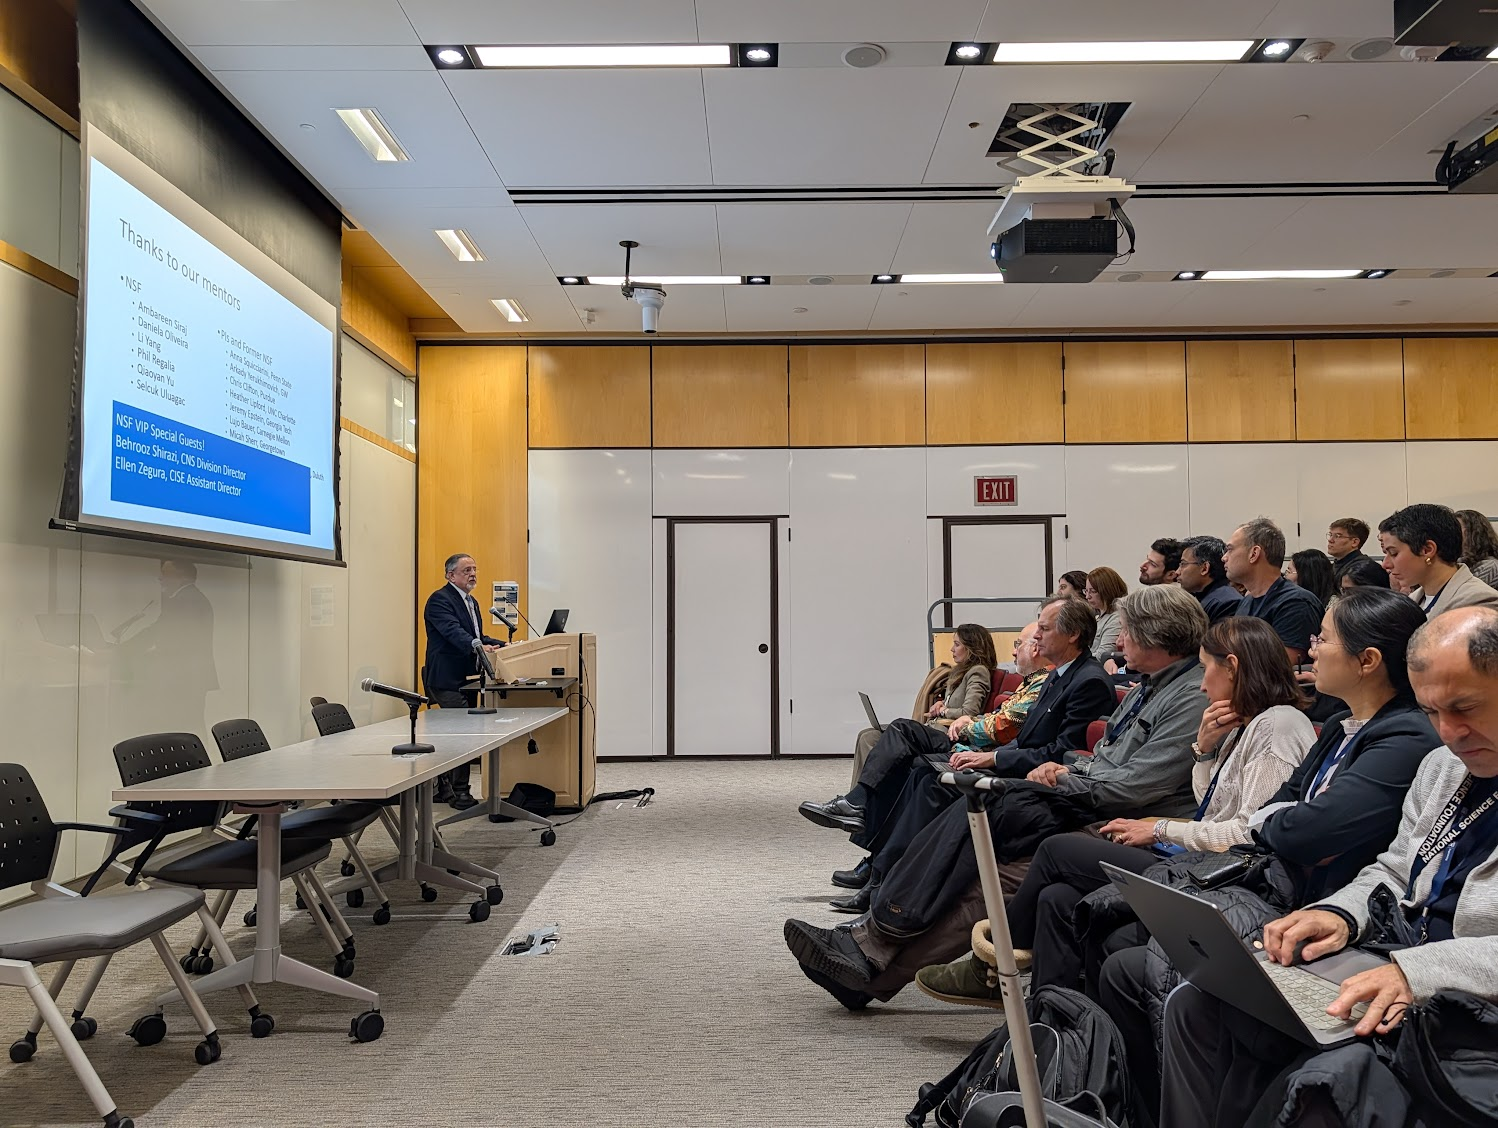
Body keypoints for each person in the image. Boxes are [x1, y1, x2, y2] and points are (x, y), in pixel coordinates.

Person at [783, 586, 1209, 1007]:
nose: (1118, 639)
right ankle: (867, 963)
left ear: (1158, 636)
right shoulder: (1149, 687)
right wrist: (1068, 770)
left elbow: (1128, 787)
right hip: (1093, 803)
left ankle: (870, 943)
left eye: (1128, 631)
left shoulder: (1187, 697)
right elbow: (1102, 758)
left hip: (1123, 822)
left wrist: (1061, 777)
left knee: (982, 832)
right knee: (976, 847)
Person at [1157, 607, 1498, 1128]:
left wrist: (1414, 971)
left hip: (1463, 997)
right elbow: (1395, 870)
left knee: (1326, 1084)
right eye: (1432, 712)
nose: (1449, 731)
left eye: (1465, 707)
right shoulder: (1443, 766)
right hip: (1396, 961)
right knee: (1203, 1002)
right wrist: (1340, 914)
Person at [920, 617, 1315, 1006]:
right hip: (1196, 857)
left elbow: (1247, 835)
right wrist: (1204, 750)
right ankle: (1053, 1024)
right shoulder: (1244, 723)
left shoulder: (1277, 727)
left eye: (1207, 667)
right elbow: (1210, 803)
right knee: (1056, 898)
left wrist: (1159, 830)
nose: (1201, 682)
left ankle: (997, 958)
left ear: (1232, 666)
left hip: (1221, 876)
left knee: (1059, 850)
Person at [800, 599, 1112, 855]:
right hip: (1004, 755)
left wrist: (990, 755)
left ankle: (880, 863)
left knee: (921, 767)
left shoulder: (1086, 681)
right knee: (914, 762)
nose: (1037, 638)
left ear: (1072, 634)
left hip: (1029, 776)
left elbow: (1059, 750)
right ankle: (878, 861)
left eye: (1043, 629)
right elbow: (1024, 732)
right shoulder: (1058, 675)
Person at [822, 625, 1052, 894]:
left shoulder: (1026, 680)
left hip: (974, 746)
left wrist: (958, 717)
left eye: (1018, 644)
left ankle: (867, 833)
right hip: (969, 740)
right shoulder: (1025, 682)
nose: (1012, 651)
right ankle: (875, 859)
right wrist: (966, 718)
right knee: (901, 757)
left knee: (903, 736)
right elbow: (993, 717)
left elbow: (999, 724)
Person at [846, 625, 996, 791]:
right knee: (867, 736)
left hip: (946, 733)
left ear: (972, 648)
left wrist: (944, 710)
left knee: (894, 729)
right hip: (934, 727)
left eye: (957, 644)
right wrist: (943, 704)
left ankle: (866, 797)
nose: (952, 649)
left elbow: (969, 712)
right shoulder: (960, 672)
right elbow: (957, 703)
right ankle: (856, 795)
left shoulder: (978, 672)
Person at [422, 552, 505, 809]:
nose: (473, 574)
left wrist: (501, 644)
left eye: (475, 569)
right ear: (450, 575)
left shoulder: (472, 601)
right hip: (446, 679)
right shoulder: (439, 600)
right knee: (462, 734)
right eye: (466, 570)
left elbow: (475, 634)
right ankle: (459, 792)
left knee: (465, 732)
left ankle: (445, 787)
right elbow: (454, 633)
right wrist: (479, 646)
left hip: (467, 678)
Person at [1224, 517, 1323, 664]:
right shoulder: (1247, 601)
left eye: (1230, 550)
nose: (1224, 557)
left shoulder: (1296, 604)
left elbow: (1278, 667)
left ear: (1254, 553)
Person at [1379, 502, 1498, 618]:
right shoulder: (1415, 600)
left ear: (1427, 550)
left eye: (1394, 553)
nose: (1385, 564)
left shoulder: (1481, 605)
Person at [1177, 535, 1240, 625]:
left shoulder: (1226, 603)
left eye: (1183, 564)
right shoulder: (1203, 597)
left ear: (1204, 568)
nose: (1177, 572)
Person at [1084, 566, 1127, 660]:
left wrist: (1074, 662)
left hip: (1093, 670)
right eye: (1086, 591)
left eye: (1093, 591)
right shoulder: (1097, 616)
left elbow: (1103, 655)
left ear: (1107, 590)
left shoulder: (1116, 619)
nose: (1087, 596)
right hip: (1082, 666)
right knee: (1047, 671)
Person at [1455, 507, 1498, 589]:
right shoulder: (1464, 562)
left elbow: (1463, 594)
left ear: (1474, 533)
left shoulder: (1490, 566)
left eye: (1457, 529)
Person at [1327, 517, 1379, 582]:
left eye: (1338, 536)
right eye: (1330, 535)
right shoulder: (1334, 567)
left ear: (1354, 542)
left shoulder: (1363, 569)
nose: (1330, 540)